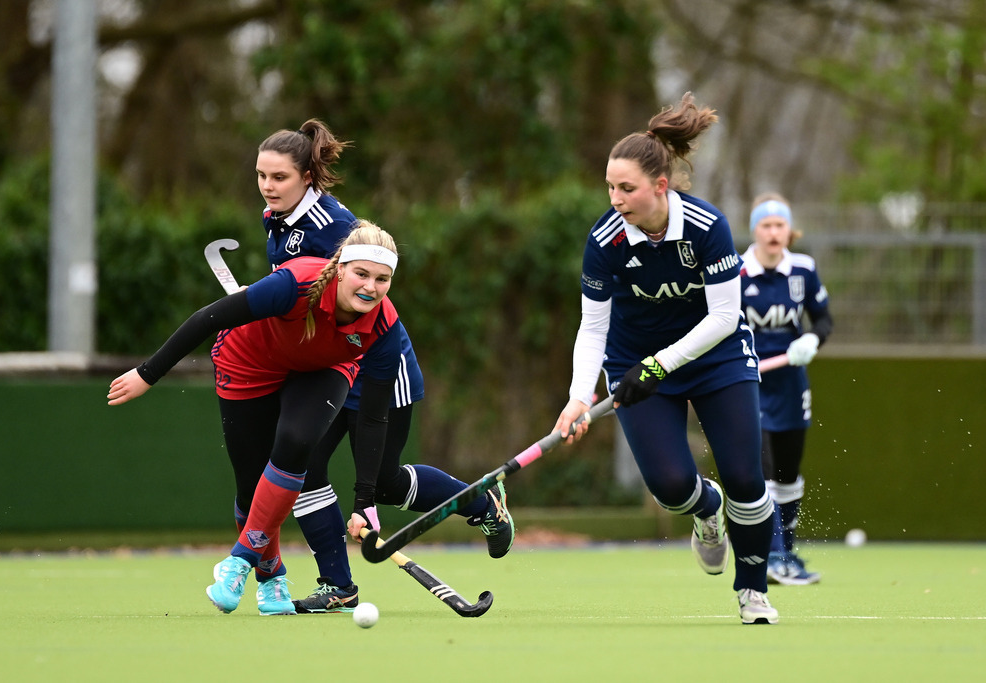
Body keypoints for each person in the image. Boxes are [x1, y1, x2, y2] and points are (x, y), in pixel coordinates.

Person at [253, 120, 514, 613]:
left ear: (307, 177)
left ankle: (483, 504)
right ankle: (338, 584)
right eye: (262, 176)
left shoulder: (333, 227)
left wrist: (364, 501)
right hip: (329, 361)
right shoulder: (279, 217)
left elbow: (368, 301)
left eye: (279, 178)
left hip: (375, 363)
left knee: (386, 481)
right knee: (306, 467)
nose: (268, 187)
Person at [553, 92, 778, 625]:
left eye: (625, 188)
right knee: (673, 488)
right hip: (634, 363)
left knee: (747, 479)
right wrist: (578, 397)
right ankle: (706, 510)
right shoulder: (604, 242)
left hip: (715, 358)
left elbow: (725, 317)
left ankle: (753, 591)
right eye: (609, 186)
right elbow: (593, 325)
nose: (614, 198)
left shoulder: (707, 227)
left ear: (660, 186)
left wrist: (660, 366)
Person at [108, 222, 406, 615]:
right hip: (250, 360)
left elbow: (373, 417)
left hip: (322, 370)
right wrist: (147, 373)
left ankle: (238, 561)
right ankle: (271, 575)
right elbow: (207, 319)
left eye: (382, 279)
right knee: (251, 487)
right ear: (339, 269)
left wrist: (364, 500)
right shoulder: (295, 284)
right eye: (362, 274)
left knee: (297, 442)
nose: (370, 287)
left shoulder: (384, 325)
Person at [741, 193, 832, 585]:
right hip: (748, 381)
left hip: (791, 383)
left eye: (780, 225)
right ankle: (772, 554)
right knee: (762, 472)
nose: (773, 233)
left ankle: (787, 552)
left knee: (788, 473)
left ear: (789, 231)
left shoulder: (804, 271)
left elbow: (824, 320)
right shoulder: (737, 273)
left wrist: (812, 341)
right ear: (755, 231)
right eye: (766, 225)